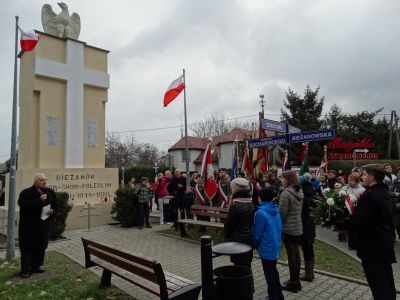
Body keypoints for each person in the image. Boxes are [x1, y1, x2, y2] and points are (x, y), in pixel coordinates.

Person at [345, 164, 396, 299]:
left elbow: (360, 221)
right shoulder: (383, 192)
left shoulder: (370, 195)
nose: (362, 177)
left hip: (373, 246)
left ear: (372, 177)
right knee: (386, 282)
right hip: (383, 243)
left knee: (378, 284)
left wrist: (343, 223)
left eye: (364, 175)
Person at [18, 173, 57, 278]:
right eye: (41, 180)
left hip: (43, 225)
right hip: (29, 227)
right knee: (28, 248)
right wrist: (39, 201)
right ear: (35, 181)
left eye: (45, 180)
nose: (44, 182)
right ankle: (25, 270)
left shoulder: (50, 192)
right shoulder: (26, 193)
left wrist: (52, 211)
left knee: (40, 247)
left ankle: (36, 266)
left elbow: (55, 204)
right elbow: (24, 206)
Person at [253, 187, 284, 300]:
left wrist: (254, 244)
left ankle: (273, 296)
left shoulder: (261, 213)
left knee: (269, 273)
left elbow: (257, 233)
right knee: (273, 270)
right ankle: (278, 294)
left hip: (266, 246)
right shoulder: (275, 209)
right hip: (275, 244)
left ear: (260, 198)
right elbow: (280, 227)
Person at [279, 170, 304, 293]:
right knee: (296, 254)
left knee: (291, 255)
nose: (281, 180)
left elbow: (282, 214)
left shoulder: (286, 193)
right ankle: (296, 281)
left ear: (288, 179)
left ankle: (293, 283)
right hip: (298, 227)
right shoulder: (299, 190)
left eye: (283, 178)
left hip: (289, 228)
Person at [224, 177, 255, 269]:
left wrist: (226, 237)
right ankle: (249, 283)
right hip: (249, 239)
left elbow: (229, 225)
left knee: (239, 267)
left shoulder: (235, 206)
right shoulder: (251, 203)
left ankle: (242, 283)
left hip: (237, 241)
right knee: (247, 266)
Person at [299, 173, 316, 282]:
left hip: (304, 224)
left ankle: (309, 274)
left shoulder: (303, 197)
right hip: (310, 224)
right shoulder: (312, 193)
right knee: (309, 248)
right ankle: (310, 272)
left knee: (306, 248)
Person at [389, 167, 400, 240]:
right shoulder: (395, 181)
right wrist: (395, 194)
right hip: (397, 205)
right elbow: (389, 192)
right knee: (397, 223)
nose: (399, 174)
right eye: (399, 173)